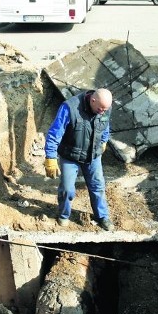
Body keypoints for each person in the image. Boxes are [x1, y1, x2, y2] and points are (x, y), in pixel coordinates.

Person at [44, 88, 114, 231]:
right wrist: (50, 157)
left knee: (98, 186)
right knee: (67, 189)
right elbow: (54, 133)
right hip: (70, 156)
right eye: (101, 108)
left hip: (93, 155)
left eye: (105, 109)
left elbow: (105, 125)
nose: (103, 112)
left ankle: (102, 216)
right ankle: (64, 215)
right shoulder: (70, 107)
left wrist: (104, 140)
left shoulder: (104, 108)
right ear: (92, 100)